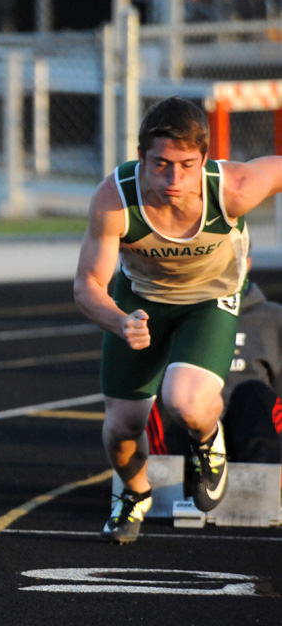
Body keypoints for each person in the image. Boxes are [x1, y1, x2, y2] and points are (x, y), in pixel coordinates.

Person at [73, 96, 282, 544]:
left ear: (205, 159)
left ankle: (208, 442)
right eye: (162, 165)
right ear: (141, 158)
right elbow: (88, 284)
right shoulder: (115, 198)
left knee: (185, 400)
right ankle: (134, 493)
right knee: (121, 427)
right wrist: (117, 321)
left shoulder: (235, 188)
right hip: (141, 302)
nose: (173, 179)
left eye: (187, 166)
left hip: (210, 300)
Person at [147, 263, 282, 467]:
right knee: (165, 389)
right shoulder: (174, 315)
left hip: (253, 431)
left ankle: (268, 483)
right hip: (193, 430)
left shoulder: (273, 318)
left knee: (252, 392)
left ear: (246, 262)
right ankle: (163, 479)